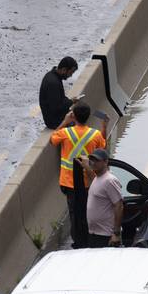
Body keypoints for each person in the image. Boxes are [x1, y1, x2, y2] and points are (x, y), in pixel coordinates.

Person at [51, 102, 108, 249]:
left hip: (69, 182)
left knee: (74, 213)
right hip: (88, 181)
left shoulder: (65, 133)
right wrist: (104, 127)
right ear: (88, 117)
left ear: (74, 116)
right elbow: (103, 147)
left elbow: (53, 139)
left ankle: (78, 241)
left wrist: (65, 121)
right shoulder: (95, 134)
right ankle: (89, 237)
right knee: (88, 210)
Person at [84, 149, 123, 248]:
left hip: (106, 236)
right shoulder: (97, 178)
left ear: (106, 162)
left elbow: (119, 205)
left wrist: (116, 234)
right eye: (91, 159)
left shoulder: (110, 181)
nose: (93, 162)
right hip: (94, 234)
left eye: (97, 160)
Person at [39, 56, 78, 129]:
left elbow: (59, 99)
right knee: (80, 122)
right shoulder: (53, 83)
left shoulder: (53, 76)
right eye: (71, 72)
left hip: (56, 116)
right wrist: (71, 102)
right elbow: (56, 107)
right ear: (64, 69)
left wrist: (70, 101)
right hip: (54, 121)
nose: (71, 75)